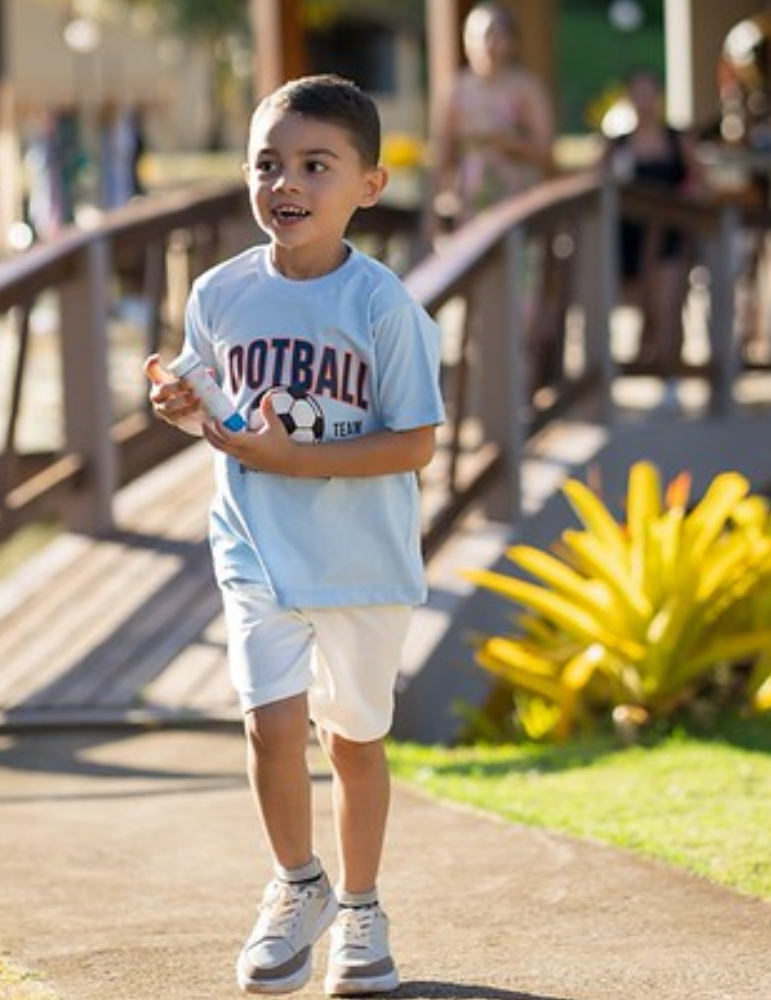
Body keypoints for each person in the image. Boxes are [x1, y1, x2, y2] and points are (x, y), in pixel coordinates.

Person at [144, 75, 445, 996]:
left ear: (369, 185)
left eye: (316, 165)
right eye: (269, 164)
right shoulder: (219, 293)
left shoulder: (385, 307)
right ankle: (297, 884)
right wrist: (177, 405)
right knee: (270, 726)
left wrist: (294, 462)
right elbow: (217, 410)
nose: (288, 183)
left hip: (360, 561)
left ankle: (361, 907)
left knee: (351, 741)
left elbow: (417, 443)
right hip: (255, 543)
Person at [604, 68, 704, 374]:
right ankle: (647, 365)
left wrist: (684, 204)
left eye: (649, 94)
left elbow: (700, 181)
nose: (644, 101)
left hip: (670, 233)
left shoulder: (676, 140)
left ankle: (669, 373)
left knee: (667, 303)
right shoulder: (618, 144)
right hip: (629, 236)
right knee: (642, 306)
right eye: (637, 93)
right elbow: (594, 182)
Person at [432, 1, 555, 231]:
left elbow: (545, 151)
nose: (486, 45)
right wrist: (434, 208)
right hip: (470, 203)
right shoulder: (455, 90)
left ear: (511, 41)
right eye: (477, 36)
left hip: (517, 199)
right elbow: (443, 155)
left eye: (495, 35)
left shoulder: (526, 88)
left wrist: (508, 144)